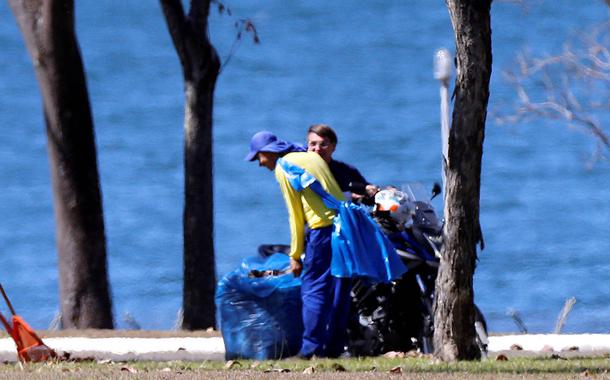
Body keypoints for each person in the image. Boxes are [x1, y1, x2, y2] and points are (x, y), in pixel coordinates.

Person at [245, 130, 351, 359]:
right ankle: (333, 349)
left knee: (313, 289)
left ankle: (309, 350)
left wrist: (295, 255)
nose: (259, 164)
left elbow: (295, 215)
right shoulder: (308, 156)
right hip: (344, 227)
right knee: (338, 290)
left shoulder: (284, 167)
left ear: (268, 152)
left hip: (322, 230)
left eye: (258, 158)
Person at [306, 124, 378, 201]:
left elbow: (369, 190)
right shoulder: (300, 171)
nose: (317, 148)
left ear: (333, 146)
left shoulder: (346, 171)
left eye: (323, 144)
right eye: (313, 144)